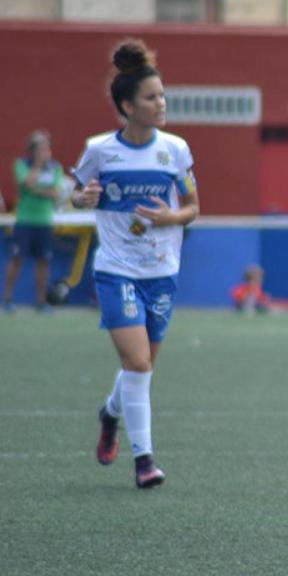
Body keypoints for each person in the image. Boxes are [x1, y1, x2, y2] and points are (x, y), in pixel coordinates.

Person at [70, 38, 199, 487]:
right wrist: (81, 197)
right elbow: (76, 190)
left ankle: (109, 413)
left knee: (140, 366)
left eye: (162, 95)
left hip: (161, 273)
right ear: (127, 105)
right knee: (139, 365)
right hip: (116, 270)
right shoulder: (100, 150)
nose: (160, 103)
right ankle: (144, 460)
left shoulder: (176, 151)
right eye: (150, 97)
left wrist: (171, 216)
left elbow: (192, 208)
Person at [3, 130, 64, 313]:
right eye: (41, 149)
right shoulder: (21, 164)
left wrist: (38, 190)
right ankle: (6, 299)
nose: (46, 152)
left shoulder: (55, 167)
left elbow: (55, 193)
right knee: (16, 259)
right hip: (25, 221)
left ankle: (40, 301)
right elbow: (26, 183)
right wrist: (37, 167)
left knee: (43, 261)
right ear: (33, 150)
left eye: (47, 148)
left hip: (44, 222)